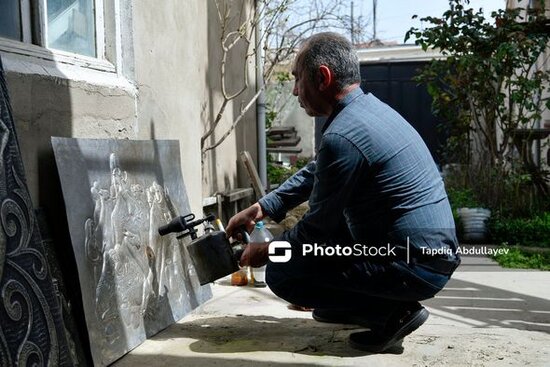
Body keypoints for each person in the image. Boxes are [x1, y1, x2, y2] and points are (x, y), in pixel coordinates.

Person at [226, 32, 460, 353]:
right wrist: (261, 208)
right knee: (313, 250)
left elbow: (315, 231)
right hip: (432, 255)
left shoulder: (341, 135)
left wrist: (267, 251)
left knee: (283, 271)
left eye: (297, 79)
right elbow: (316, 171)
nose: (295, 90)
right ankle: (359, 305)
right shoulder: (368, 111)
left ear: (322, 77)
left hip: (414, 266)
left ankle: (391, 312)